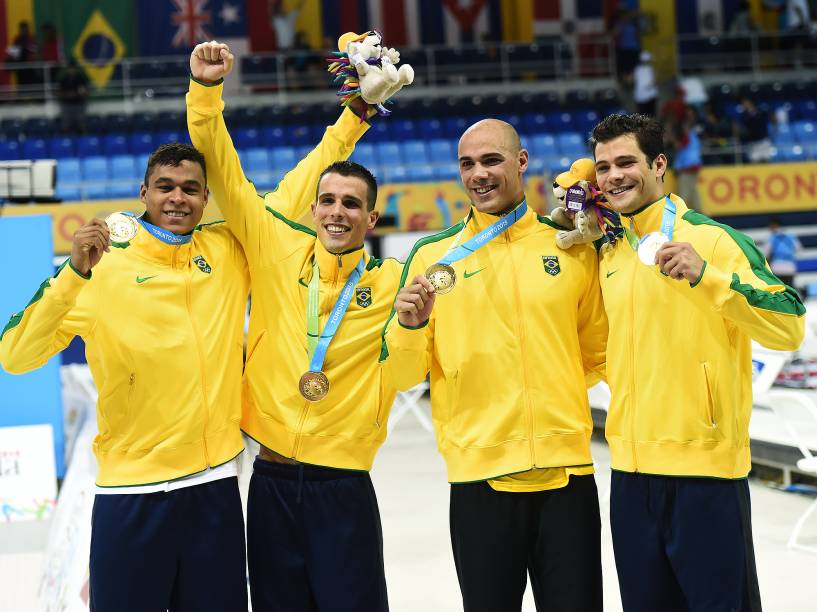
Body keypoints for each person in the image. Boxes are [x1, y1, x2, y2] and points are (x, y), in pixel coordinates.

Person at [187, 41, 405, 612]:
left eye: (351, 204)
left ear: (371, 218)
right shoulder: (275, 250)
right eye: (326, 200)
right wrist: (206, 91)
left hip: (345, 486)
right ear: (311, 210)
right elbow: (223, 166)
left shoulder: (390, 282)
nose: (336, 211)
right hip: (272, 482)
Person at [0, 143, 252, 611]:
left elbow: (292, 200)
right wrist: (74, 274)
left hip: (213, 486)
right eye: (166, 187)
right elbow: (14, 355)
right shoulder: (99, 267)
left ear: (205, 200)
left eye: (191, 189)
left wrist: (354, 115)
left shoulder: (226, 252)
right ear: (144, 193)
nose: (178, 198)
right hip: (132, 494)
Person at [385, 119, 608, 612]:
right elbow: (402, 376)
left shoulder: (568, 247)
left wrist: (548, 390)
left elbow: (596, 353)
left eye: (491, 160)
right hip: (478, 480)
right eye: (467, 164)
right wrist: (410, 327)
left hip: (566, 476)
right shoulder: (432, 256)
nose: (478, 174)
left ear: (522, 161)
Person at [589, 113, 805, 611]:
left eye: (627, 162)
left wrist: (709, 277)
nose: (614, 176)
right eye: (604, 167)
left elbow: (790, 321)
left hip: (705, 475)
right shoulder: (610, 250)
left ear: (660, 164)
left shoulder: (713, 239)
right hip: (630, 475)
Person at [764, 217, 802, 288]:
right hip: (790, 267)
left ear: (773, 225)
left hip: (777, 267)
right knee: (790, 289)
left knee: (780, 290)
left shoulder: (771, 237)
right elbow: (799, 250)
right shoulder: (791, 236)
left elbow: (766, 254)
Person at [57, 60, 90, 133]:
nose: (72, 70)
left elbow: (86, 93)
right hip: (66, 104)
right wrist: (67, 94)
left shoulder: (81, 79)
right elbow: (59, 93)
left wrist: (76, 94)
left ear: (76, 69)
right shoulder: (64, 79)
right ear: (68, 69)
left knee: (81, 124)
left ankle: (83, 141)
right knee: (65, 124)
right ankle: (65, 142)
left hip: (79, 104)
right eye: (70, 68)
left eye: (73, 68)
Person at [632, 51, 657, 116]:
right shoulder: (649, 69)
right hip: (645, 97)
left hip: (645, 96)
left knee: (644, 116)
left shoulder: (637, 69)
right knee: (649, 115)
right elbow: (653, 81)